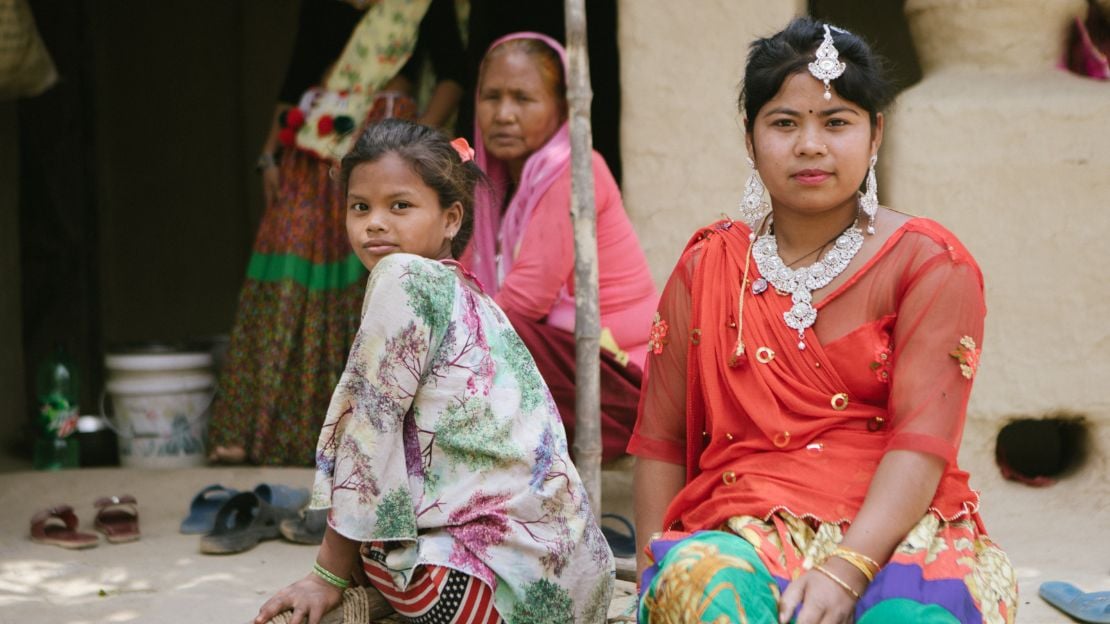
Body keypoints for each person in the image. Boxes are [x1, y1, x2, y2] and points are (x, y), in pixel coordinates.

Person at [630, 17, 1018, 624]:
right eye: (784, 123)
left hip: (902, 533)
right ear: (750, 137)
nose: (810, 144)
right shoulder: (709, 266)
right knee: (700, 590)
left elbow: (922, 443)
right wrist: (652, 583)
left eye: (836, 122)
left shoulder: (930, 263)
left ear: (875, 133)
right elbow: (660, 441)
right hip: (739, 526)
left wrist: (845, 568)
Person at [253, 119, 614, 624]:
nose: (374, 223)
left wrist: (327, 574)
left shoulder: (402, 276)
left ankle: (379, 594)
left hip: (485, 587)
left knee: (377, 534)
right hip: (576, 583)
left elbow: (370, 426)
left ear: (451, 219)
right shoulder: (473, 296)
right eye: (361, 207)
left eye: (399, 205)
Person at [208, 0, 467, 465]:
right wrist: (270, 154)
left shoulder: (422, 4)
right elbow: (298, 76)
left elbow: (453, 72)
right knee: (288, 269)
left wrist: (415, 148)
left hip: (387, 138)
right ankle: (270, 431)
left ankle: (358, 437)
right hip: (317, 143)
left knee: (371, 272)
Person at [467, 32, 657, 462]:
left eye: (523, 98)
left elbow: (523, 302)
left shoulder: (574, 169)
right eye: (491, 97)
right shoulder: (491, 184)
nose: (503, 114)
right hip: (572, 361)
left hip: (622, 381)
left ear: (561, 108)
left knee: (477, 337)